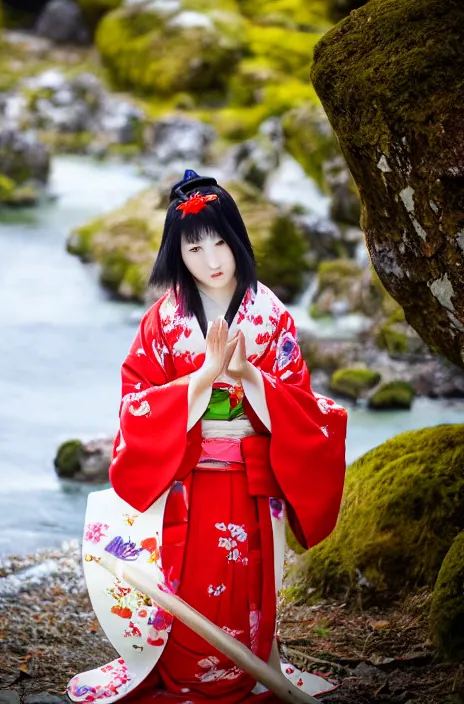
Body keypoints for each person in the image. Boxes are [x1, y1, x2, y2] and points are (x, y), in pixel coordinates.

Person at [67, 170, 348, 704]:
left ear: (238, 240)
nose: (213, 260)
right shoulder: (163, 320)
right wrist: (201, 379)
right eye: (195, 249)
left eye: (222, 243)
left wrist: (249, 376)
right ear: (178, 253)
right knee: (189, 585)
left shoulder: (271, 317)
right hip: (187, 480)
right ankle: (184, 671)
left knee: (246, 587)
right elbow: (135, 403)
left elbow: (309, 409)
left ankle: (252, 668)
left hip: (249, 481)